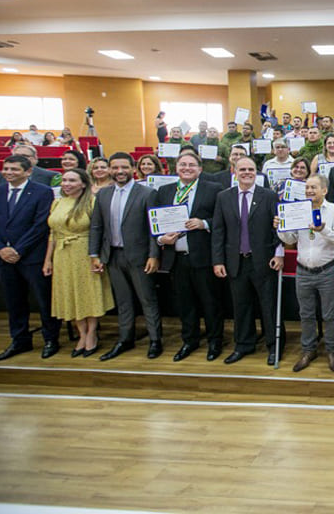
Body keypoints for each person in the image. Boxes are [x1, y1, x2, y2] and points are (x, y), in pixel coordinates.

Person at [89, 152, 162, 361]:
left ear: (133, 169)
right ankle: (125, 339)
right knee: (123, 301)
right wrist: (94, 254)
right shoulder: (103, 194)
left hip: (140, 256)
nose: (119, 171)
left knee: (147, 300)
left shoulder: (147, 193)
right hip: (112, 255)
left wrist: (154, 255)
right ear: (110, 169)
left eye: (124, 167)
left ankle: (155, 340)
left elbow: (153, 229)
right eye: (115, 167)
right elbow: (96, 226)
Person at [212, 156, 284, 366]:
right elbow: (218, 231)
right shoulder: (223, 197)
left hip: (263, 260)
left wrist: (279, 253)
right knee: (241, 306)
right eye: (242, 169)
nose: (246, 173)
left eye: (251, 169)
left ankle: (274, 346)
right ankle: (243, 344)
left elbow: (277, 227)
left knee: (268, 306)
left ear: (257, 172)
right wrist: (218, 261)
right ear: (234, 171)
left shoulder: (268, 196)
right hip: (235, 261)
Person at [154, 152, 225, 362]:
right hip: (176, 257)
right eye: (183, 164)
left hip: (203, 256)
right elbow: (155, 223)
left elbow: (221, 220)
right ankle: (190, 340)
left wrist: (204, 223)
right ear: (176, 168)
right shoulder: (165, 191)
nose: (187, 168)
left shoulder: (213, 190)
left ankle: (215, 341)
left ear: (200, 169)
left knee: (210, 302)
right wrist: (160, 240)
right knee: (185, 303)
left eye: (192, 165)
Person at [277, 173, 334, 373]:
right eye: (307, 187)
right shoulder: (297, 210)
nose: (309, 191)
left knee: (330, 314)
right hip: (303, 271)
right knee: (305, 314)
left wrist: (323, 230)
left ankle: (332, 350)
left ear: (324, 190)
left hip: (327, 271)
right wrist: (281, 226)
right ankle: (308, 350)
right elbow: (289, 237)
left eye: (313, 187)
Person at [43, 168, 113, 357]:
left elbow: (101, 231)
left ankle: (91, 333)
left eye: (72, 180)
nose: (66, 184)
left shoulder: (92, 202)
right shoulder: (57, 202)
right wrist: (48, 260)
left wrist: (96, 256)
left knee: (88, 294)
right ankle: (81, 333)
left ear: (83, 183)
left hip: (85, 253)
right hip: (62, 255)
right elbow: (53, 234)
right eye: (64, 180)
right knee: (70, 294)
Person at [0, 155, 60, 361]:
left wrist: (19, 250)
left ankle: (51, 338)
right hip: (4, 257)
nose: (9, 172)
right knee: (13, 301)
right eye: (6, 168)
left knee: (43, 300)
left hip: (32, 256)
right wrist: (2, 249)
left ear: (28, 171)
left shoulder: (42, 192)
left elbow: (41, 224)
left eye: (14, 169)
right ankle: (20, 340)